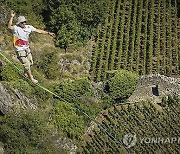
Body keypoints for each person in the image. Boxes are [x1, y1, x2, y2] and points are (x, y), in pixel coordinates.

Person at [8, 10, 55, 83]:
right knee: (26, 64)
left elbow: (38, 31)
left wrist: (48, 33)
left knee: (30, 63)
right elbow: (9, 27)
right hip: (19, 49)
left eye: (24, 22)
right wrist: (11, 17)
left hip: (27, 48)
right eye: (22, 22)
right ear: (19, 23)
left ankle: (25, 73)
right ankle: (31, 79)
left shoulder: (29, 27)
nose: (24, 23)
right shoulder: (16, 28)